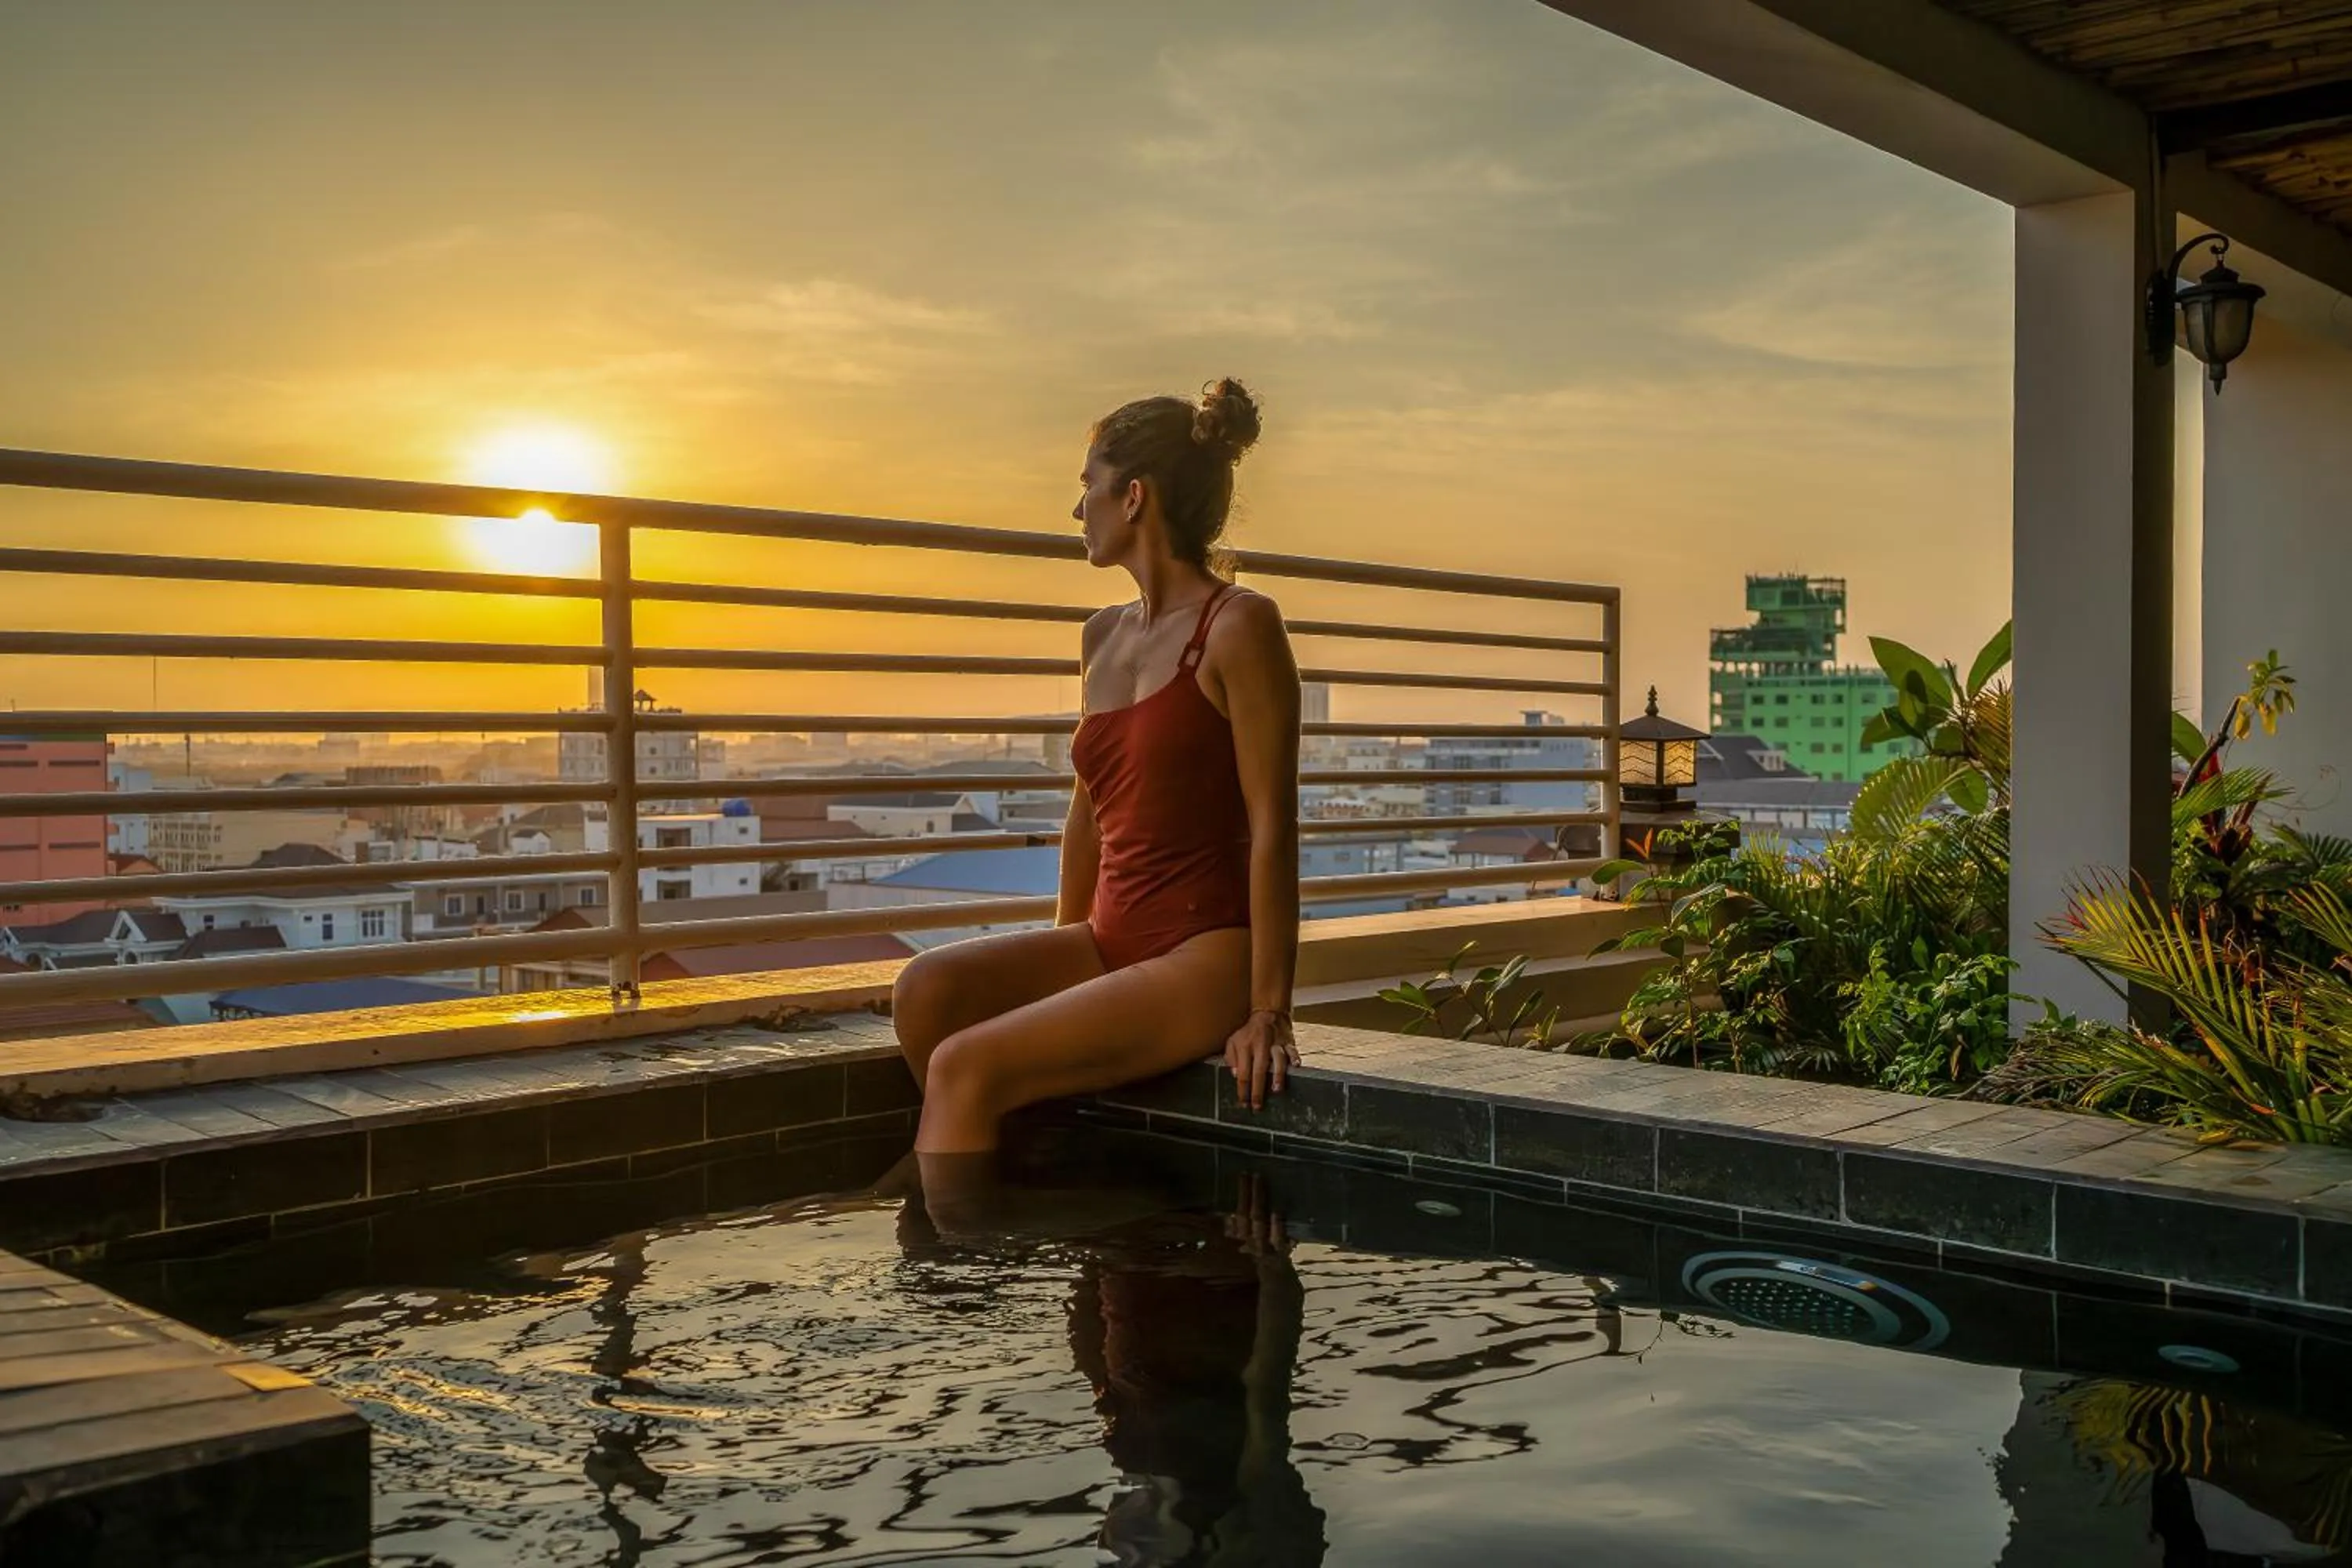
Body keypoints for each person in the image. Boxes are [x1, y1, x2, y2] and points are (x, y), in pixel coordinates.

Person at [891, 378, 1303, 1167]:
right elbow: (1089, 814)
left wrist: (1268, 1010)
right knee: (924, 993)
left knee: (960, 1065)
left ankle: (946, 1273)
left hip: (1203, 953)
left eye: (1088, 485)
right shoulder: (1100, 636)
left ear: (1135, 495)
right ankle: (1013, 1169)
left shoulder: (1241, 625)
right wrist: (1064, 970)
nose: (1078, 509)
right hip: (1110, 936)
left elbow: (1274, 826)